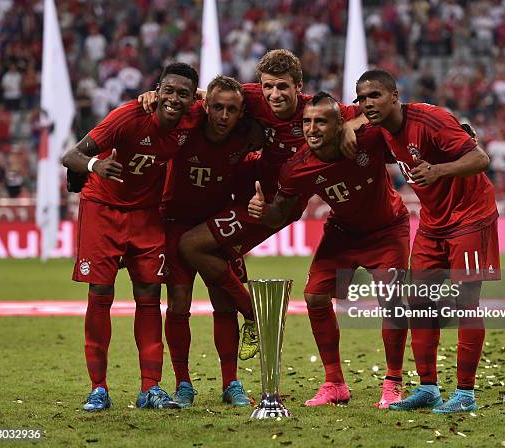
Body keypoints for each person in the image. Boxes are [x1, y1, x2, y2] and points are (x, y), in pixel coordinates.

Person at [139, 50, 360, 363]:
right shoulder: (252, 97)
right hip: (247, 190)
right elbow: (210, 96)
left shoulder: (316, 110)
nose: (274, 94)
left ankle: (255, 315)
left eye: (282, 87)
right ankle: (235, 368)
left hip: (275, 205)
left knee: (191, 246)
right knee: (213, 256)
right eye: (268, 86)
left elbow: (363, 113)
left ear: (298, 86)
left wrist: (349, 126)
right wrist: (153, 96)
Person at [350, 69, 499, 414]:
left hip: (470, 217)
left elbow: (481, 159)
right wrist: (348, 125)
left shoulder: (431, 119)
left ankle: (465, 395)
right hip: (433, 223)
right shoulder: (379, 129)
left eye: (374, 95)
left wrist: (439, 170)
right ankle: (429, 388)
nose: (367, 103)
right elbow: (346, 119)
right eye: (362, 98)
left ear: (394, 96)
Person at [248, 92, 410, 408]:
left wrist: (358, 122)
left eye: (321, 121)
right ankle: (335, 382)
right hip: (343, 233)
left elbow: (397, 112)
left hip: (388, 230)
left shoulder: (368, 138)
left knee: (391, 300)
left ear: (339, 124)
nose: (312, 128)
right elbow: (279, 213)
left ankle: (393, 381)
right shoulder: (297, 167)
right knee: (315, 296)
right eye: (307, 121)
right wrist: (261, 211)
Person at [62, 62, 200, 411]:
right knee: (101, 293)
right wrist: (95, 165)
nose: (174, 99)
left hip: (147, 215)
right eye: (168, 90)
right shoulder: (127, 115)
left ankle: (149, 389)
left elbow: (228, 97)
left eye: (184, 94)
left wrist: (202, 95)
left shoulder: (194, 116)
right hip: (102, 209)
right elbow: (71, 155)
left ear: (191, 100)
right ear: (156, 90)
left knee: (149, 295)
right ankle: (99, 389)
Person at [161, 75, 264, 408]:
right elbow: (166, 105)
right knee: (178, 304)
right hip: (176, 223)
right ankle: (183, 385)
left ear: (240, 112)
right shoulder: (186, 127)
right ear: (204, 107)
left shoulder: (246, 135)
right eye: (217, 107)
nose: (223, 116)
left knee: (223, 305)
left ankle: (231, 383)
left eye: (231, 109)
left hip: (217, 224)